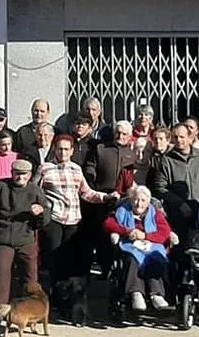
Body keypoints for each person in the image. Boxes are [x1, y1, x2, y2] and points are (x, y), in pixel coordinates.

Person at [36, 135, 115, 303]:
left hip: (73, 220)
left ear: (71, 151)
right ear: (54, 149)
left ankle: (68, 297)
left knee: (70, 259)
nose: (62, 152)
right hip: (54, 219)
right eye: (59, 148)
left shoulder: (76, 169)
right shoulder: (45, 169)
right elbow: (34, 192)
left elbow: (86, 193)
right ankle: (54, 297)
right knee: (54, 259)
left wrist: (105, 197)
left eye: (66, 149)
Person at [0, 160, 49, 321]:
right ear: (11, 173)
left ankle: (30, 311)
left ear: (29, 175)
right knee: (2, 273)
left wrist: (40, 212)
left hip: (25, 237)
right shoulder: (0, 186)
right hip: (2, 238)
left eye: (23, 174)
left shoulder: (35, 191)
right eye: (16, 173)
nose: (19, 177)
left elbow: (45, 216)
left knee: (31, 276)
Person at [104, 185, 172, 312]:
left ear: (148, 202)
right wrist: (127, 231)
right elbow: (109, 224)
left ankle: (156, 294)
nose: (138, 203)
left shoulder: (155, 213)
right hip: (130, 244)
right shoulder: (122, 210)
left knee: (156, 257)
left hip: (151, 243)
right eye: (135, 199)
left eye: (142, 200)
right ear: (131, 200)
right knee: (131, 259)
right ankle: (136, 293)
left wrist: (145, 236)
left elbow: (165, 232)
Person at [85, 120, 137, 278]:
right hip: (104, 199)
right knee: (103, 237)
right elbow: (90, 167)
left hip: (127, 202)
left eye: (124, 134)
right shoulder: (101, 149)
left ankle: (123, 270)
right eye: (117, 132)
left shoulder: (134, 152)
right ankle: (105, 269)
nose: (120, 136)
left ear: (130, 136)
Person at [151, 123, 199, 242]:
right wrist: (180, 204)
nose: (179, 140)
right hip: (179, 212)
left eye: (182, 137)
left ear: (189, 137)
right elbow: (160, 187)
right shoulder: (167, 160)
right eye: (175, 137)